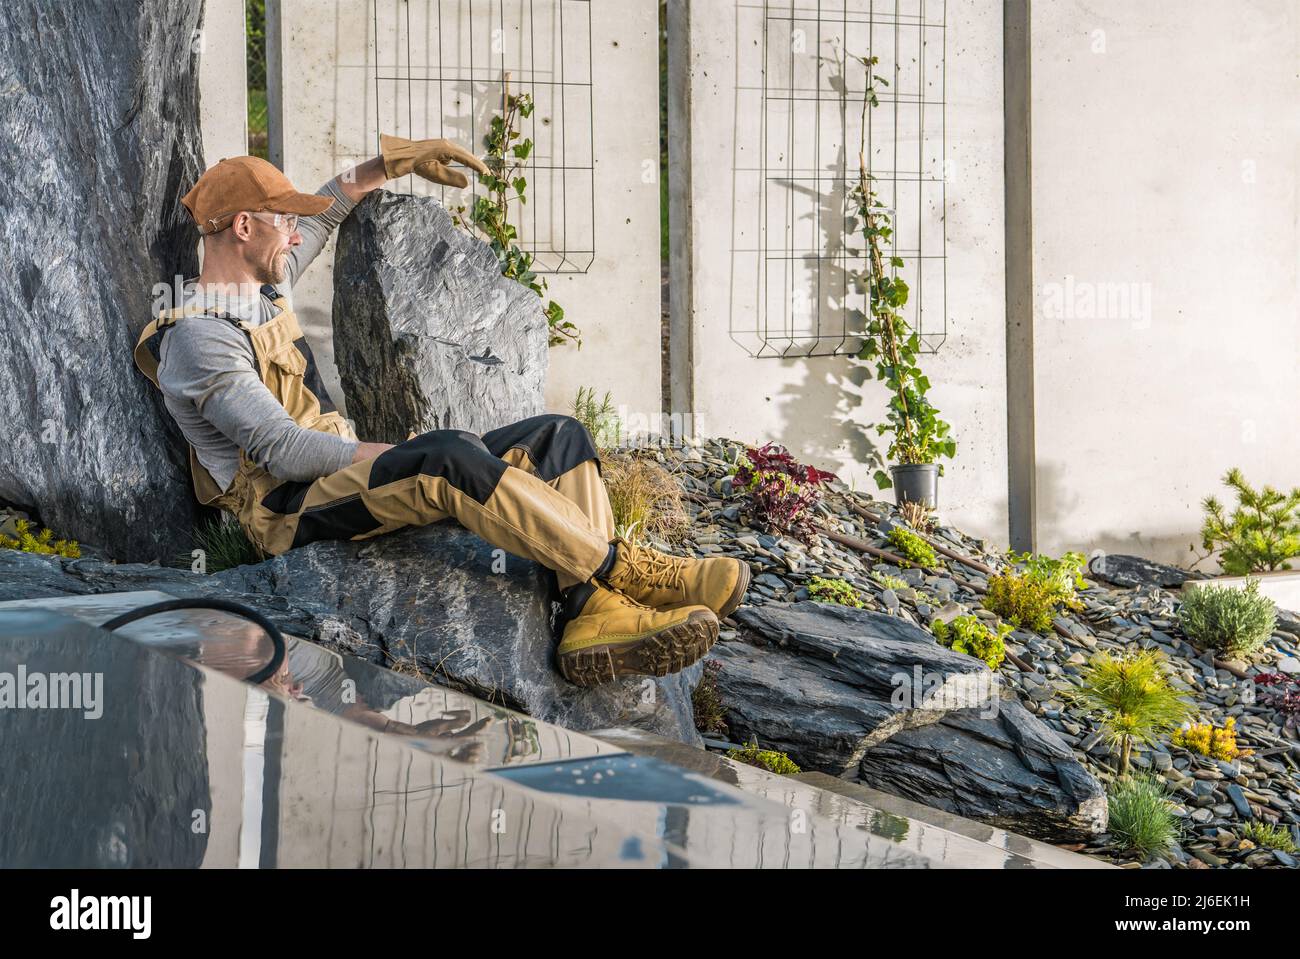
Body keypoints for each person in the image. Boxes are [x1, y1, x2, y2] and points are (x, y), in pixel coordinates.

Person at [133, 136, 749, 687]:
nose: (296, 235)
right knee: (448, 457)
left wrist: (395, 161)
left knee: (558, 436)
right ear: (244, 226)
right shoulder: (200, 337)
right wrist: (396, 452)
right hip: (286, 512)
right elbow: (284, 453)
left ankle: (590, 614)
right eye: (283, 222)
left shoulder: (264, 286)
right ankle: (621, 570)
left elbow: (330, 205)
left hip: (330, 477)